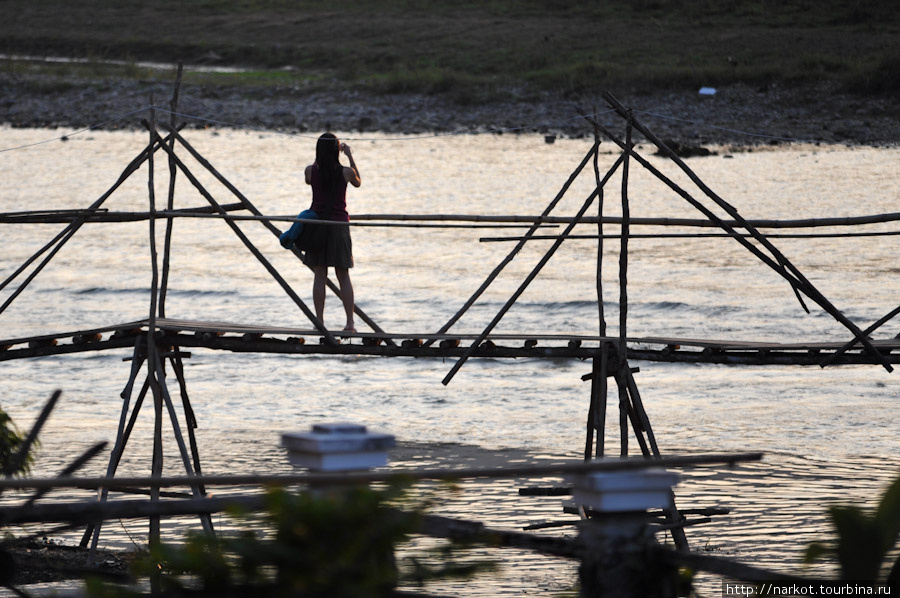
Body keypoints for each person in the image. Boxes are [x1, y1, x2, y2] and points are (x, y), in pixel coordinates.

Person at [302, 132, 361, 332]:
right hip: (338, 227)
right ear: (337, 151)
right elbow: (358, 181)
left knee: (320, 274)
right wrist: (349, 155)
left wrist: (320, 156)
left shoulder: (310, 170)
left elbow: (309, 181)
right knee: (343, 275)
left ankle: (319, 321)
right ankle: (350, 323)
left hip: (318, 226)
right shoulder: (346, 172)